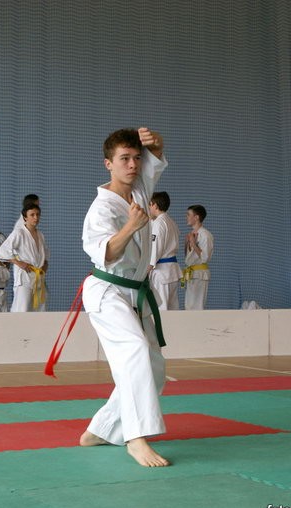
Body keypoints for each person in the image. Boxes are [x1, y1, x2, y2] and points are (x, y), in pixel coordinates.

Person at [80, 126, 169, 467]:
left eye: (135, 158)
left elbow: (155, 159)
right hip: (107, 291)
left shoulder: (139, 190)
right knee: (134, 350)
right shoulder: (100, 210)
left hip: (135, 291)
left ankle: (101, 429)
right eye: (124, 159)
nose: (132, 165)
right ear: (108, 164)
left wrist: (156, 144)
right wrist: (131, 226)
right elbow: (107, 253)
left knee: (155, 367)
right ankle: (136, 438)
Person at [0, 204, 49, 312]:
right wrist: (18, 263)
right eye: (32, 215)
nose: (36, 217)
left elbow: (45, 253)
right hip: (24, 277)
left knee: (40, 310)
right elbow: (3, 250)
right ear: (25, 217)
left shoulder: (40, 234)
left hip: (38, 277)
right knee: (22, 309)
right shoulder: (19, 232)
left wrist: (45, 264)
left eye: (38, 214)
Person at [148, 191, 181, 310]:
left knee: (161, 310)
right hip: (172, 271)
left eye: (150, 204)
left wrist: (145, 272)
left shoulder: (159, 223)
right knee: (173, 309)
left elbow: (155, 251)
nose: (148, 208)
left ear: (155, 205)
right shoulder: (171, 222)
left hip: (161, 274)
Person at [183, 204, 213, 310]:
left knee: (197, 307)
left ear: (196, 217)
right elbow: (188, 258)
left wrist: (193, 243)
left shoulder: (205, 235)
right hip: (192, 274)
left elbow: (205, 257)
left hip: (200, 275)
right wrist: (187, 243)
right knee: (189, 306)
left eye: (188, 215)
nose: (186, 217)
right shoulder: (192, 234)